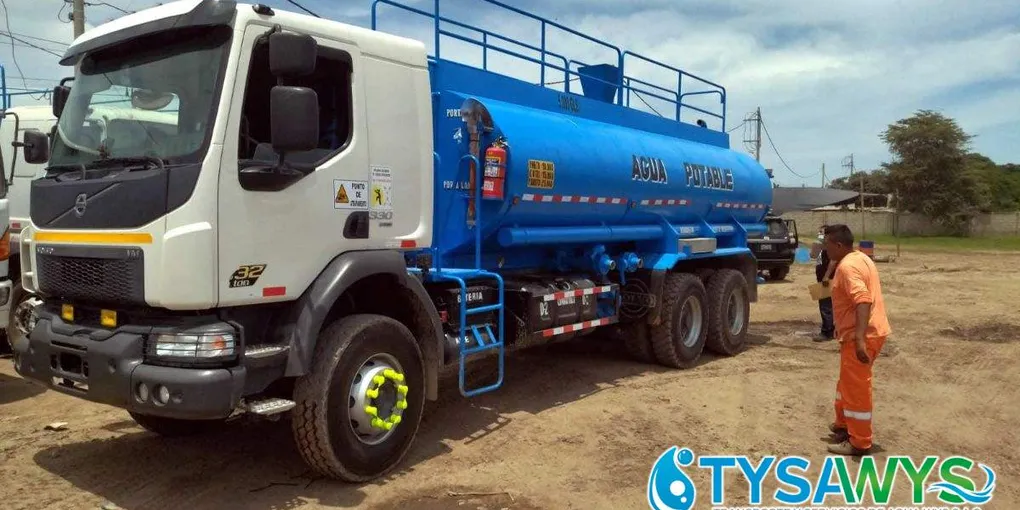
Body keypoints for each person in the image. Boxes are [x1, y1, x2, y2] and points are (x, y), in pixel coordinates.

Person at [821, 224, 892, 456]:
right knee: (846, 384)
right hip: (861, 333)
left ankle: (859, 442)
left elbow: (863, 300)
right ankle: (843, 426)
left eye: (827, 244)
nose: (824, 248)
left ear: (838, 245)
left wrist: (859, 339)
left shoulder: (848, 267)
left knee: (856, 389)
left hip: (860, 335)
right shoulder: (860, 258)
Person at [809, 225, 836, 341]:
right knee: (826, 304)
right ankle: (832, 330)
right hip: (821, 278)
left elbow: (833, 261)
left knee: (826, 305)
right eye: (819, 233)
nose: (820, 235)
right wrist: (818, 241)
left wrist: (826, 276)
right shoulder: (821, 246)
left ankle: (827, 332)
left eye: (822, 233)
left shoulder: (832, 246)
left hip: (828, 278)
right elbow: (812, 255)